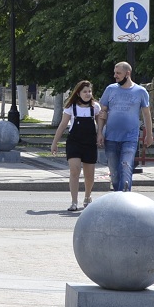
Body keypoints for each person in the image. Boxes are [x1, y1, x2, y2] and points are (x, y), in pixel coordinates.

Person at [97, 61, 153, 192]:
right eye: (115, 73)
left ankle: (125, 195)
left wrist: (149, 135)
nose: (115, 76)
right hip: (111, 137)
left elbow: (146, 114)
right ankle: (118, 195)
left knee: (126, 166)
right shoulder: (110, 89)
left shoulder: (140, 91)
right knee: (114, 172)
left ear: (127, 73)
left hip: (130, 137)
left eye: (118, 73)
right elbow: (102, 113)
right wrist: (99, 132)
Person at [51, 80, 102, 211]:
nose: (88, 94)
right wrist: (55, 142)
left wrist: (100, 135)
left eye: (89, 91)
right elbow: (62, 125)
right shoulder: (71, 107)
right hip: (74, 143)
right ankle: (74, 202)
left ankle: (87, 197)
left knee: (89, 175)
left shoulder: (95, 107)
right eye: (85, 91)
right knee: (74, 170)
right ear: (78, 93)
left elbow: (100, 125)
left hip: (90, 143)